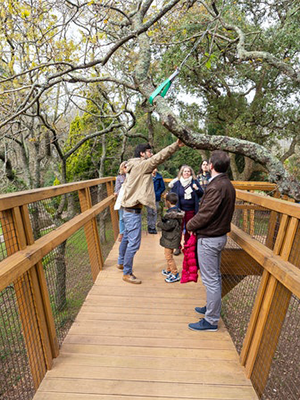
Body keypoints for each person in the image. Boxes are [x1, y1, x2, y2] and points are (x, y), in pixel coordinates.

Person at [117, 139, 184, 284]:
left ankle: (121, 262)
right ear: (142, 154)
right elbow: (159, 157)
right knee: (134, 243)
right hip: (132, 211)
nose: (151, 154)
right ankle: (127, 273)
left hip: (128, 209)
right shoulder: (142, 165)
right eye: (149, 152)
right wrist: (175, 145)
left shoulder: (131, 164)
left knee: (127, 237)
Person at [186, 150, 236, 332]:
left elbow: (206, 213)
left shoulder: (217, 186)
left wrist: (190, 225)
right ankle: (210, 308)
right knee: (214, 277)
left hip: (210, 238)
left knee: (211, 280)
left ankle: (211, 321)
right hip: (217, 236)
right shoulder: (226, 184)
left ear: (212, 166)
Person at [170, 165, 203, 255]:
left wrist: (196, 189)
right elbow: (171, 194)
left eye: (188, 171)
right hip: (179, 211)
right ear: (181, 173)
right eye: (185, 171)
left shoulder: (194, 182)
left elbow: (201, 193)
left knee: (189, 229)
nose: (187, 173)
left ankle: (187, 246)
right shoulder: (177, 183)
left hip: (191, 210)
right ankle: (177, 247)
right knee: (178, 230)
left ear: (191, 173)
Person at [157, 192, 185, 283]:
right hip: (172, 237)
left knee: (168, 256)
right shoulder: (176, 211)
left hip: (171, 238)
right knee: (169, 255)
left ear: (167, 202)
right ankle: (169, 270)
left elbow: (168, 226)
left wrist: (159, 224)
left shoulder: (173, 214)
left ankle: (175, 273)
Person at [147, 168, 166, 234]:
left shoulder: (159, 177)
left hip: (156, 197)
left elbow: (162, 187)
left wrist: (158, 193)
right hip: (148, 197)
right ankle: (149, 226)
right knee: (149, 212)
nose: (154, 170)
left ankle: (153, 227)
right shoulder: (147, 176)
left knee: (154, 212)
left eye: (155, 168)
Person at [114, 161, 127, 241]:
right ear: (122, 168)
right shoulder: (119, 178)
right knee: (122, 217)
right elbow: (117, 189)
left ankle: (128, 233)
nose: (127, 168)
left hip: (130, 200)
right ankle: (122, 233)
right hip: (122, 199)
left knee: (129, 217)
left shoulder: (132, 176)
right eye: (125, 167)